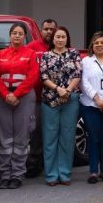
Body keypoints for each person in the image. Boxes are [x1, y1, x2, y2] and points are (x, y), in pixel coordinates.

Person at [0, 23, 38, 189]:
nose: (17, 36)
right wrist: (6, 94)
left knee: (21, 138)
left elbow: (32, 77)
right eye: (14, 33)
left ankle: (17, 174)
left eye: (20, 33)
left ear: (24, 36)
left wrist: (16, 94)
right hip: (3, 98)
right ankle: (5, 175)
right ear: (10, 35)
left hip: (24, 98)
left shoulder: (30, 54)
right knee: (5, 138)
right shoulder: (0, 54)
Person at [39, 26, 82, 186]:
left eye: (63, 37)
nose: (60, 39)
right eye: (57, 37)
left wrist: (68, 91)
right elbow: (43, 76)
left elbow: (77, 74)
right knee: (50, 138)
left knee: (67, 137)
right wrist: (58, 89)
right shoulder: (45, 56)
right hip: (50, 100)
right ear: (53, 39)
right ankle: (51, 175)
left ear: (67, 38)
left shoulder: (74, 54)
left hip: (70, 100)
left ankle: (64, 174)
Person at [80, 32, 103, 184]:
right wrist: (97, 98)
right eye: (96, 43)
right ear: (92, 46)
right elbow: (84, 82)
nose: (99, 45)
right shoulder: (86, 62)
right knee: (94, 138)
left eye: (102, 43)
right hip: (91, 105)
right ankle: (94, 171)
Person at [24, 18, 57, 178]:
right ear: (41, 30)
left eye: (52, 29)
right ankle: (34, 164)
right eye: (46, 29)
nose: (49, 32)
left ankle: (50, 164)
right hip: (35, 97)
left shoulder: (59, 47)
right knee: (36, 133)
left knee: (51, 132)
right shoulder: (31, 48)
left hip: (54, 98)